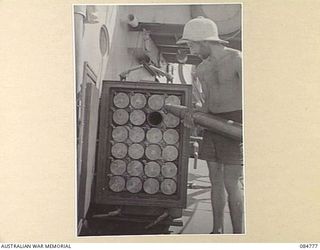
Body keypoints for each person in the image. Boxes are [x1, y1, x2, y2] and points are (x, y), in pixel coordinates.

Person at [177, 16, 243, 234]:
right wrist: (193, 115)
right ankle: (217, 231)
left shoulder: (237, 59)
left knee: (231, 183)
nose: (191, 50)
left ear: (204, 41)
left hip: (235, 125)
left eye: (191, 44)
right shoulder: (201, 69)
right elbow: (208, 103)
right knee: (215, 181)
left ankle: (239, 234)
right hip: (212, 125)